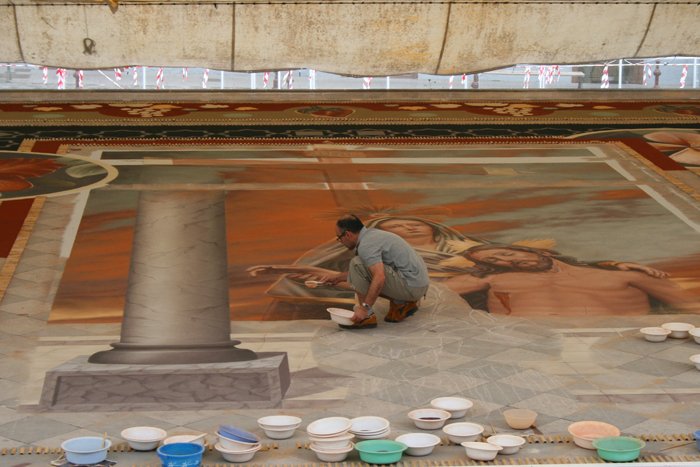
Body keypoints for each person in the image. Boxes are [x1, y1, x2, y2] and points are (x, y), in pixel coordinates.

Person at [444, 244, 698, 316]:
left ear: (542, 252)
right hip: (524, 341)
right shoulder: (492, 279)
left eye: (508, 254)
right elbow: (430, 291)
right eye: (494, 261)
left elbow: (690, 305)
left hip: (618, 338)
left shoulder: (626, 274)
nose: (505, 261)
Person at [321, 214, 430, 329]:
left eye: (339, 237)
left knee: (356, 263)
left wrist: (364, 308)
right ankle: (402, 303)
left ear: (347, 234)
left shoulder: (366, 245)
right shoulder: (373, 235)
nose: (340, 241)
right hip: (417, 284)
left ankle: (366, 316)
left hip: (412, 287)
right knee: (362, 270)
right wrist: (337, 277)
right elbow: (368, 272)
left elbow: (379, 277)